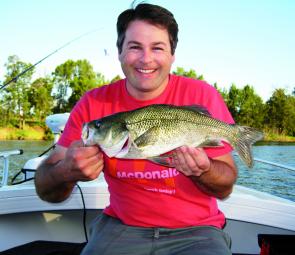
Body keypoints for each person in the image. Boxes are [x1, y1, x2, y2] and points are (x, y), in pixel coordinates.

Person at [35, 3, 237, 255]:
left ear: (172, 55)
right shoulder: (93, 104)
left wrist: (203, 170)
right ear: (119, 52)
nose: (146, 59)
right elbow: (45, 191)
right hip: (121, 227)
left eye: (158, 48)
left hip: (197, 231)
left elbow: (225, 186)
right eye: (134, 47)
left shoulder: (201, 95)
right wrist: (66, 170)